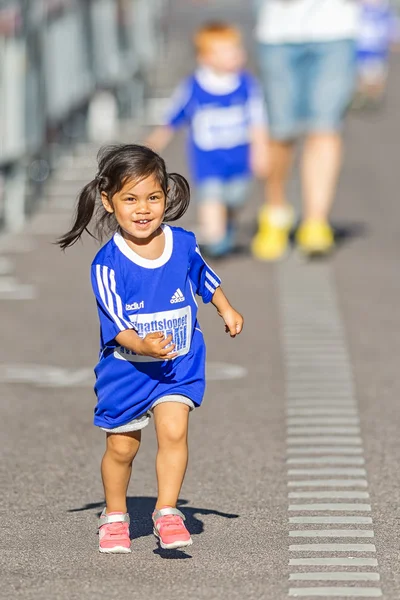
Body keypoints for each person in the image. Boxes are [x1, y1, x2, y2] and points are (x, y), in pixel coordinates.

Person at [57, 144, 243, 554]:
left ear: (167, 197)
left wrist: (225, 308)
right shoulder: (108, 265)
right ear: (109, 202)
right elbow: (116, 324)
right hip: (129, 369)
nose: (143, 209)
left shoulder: (182, 242)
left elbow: (203, 276)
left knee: (174, 430)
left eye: (153, 198)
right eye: (130, 199)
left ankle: (167, 511)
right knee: (122, 447)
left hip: (178, 362)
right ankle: (116, 515)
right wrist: (142, 343)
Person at [146, 22, 269, 258]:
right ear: (205, 57)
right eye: (226, 51)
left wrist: (261, 152)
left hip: (239, 159)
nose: (236, 55)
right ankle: (215, 239)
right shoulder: (194, 87)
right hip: (208, 161)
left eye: (236, 49)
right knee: (212, 199)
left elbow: (258, 122)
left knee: (235, 197)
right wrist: (152, 146)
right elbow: (172, 119)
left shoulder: (246, 86)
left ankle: (228, 222)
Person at [252, 0, 359, 260]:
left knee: (325, 128)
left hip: (336, 28)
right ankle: (276, 212)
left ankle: (315, 221)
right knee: (280, 132)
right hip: (278, 30)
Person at [354, 0, 400, 108]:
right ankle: (361, 98)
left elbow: (392, 26)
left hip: (376, 51)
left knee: (375, 77)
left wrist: (394, 40)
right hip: (359, 49)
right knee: (359, 77)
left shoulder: (385, 10)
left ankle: (373, 100)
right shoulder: (357, 8)